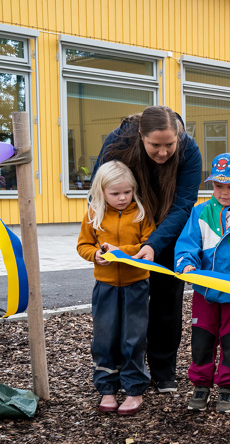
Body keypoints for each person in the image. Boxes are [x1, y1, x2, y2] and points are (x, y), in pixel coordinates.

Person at [94, 106, 203, 394]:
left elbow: (183, 205)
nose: (164, 152)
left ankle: (163, 369)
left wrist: (154, 243)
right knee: (126, 306)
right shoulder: (119, 142)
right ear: (141, 136)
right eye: (156, 145)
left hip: (167, 233)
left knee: (167, 302)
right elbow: (100, 188)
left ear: (178, 137)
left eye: (170, 144)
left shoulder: (189, 152)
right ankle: (122, 368)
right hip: (127, 234)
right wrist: (103, 237)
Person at [174, 153, 230, 414]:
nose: (223, 192)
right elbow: (187, 244)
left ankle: (227, 387)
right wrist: (186, 264)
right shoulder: (200, 213)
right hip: (204, 292)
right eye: (217, 186)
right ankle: (200, 384)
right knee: (201, 338)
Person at [76, 161, 156, 416]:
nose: (122, 198)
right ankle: (107, 387)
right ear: (102, 192)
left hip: (136, 286)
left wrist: (124, 253)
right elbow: (84, 245)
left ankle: (134, 389)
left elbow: (147, 245)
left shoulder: (141, 214)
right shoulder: (93, 214)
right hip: (105, 286)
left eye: (127, 192)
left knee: (134, 337)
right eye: (115, 193)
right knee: (104, 336)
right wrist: (95, 256)